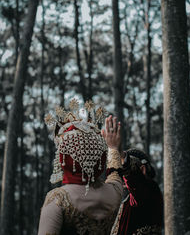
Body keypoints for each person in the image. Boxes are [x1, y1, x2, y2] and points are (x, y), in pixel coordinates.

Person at [37, 99, 123, 235]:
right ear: (99, 155)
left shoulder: (57, 200)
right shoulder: (115, 192)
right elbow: (115, 173)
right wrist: (113, 147)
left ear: (64, 158)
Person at [111, 148, 163, 235]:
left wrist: (122, 155)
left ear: (143, 170)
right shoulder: (143, 192)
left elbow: (135, 182)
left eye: (125, 171)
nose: (122, 175)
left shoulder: (148, 189)